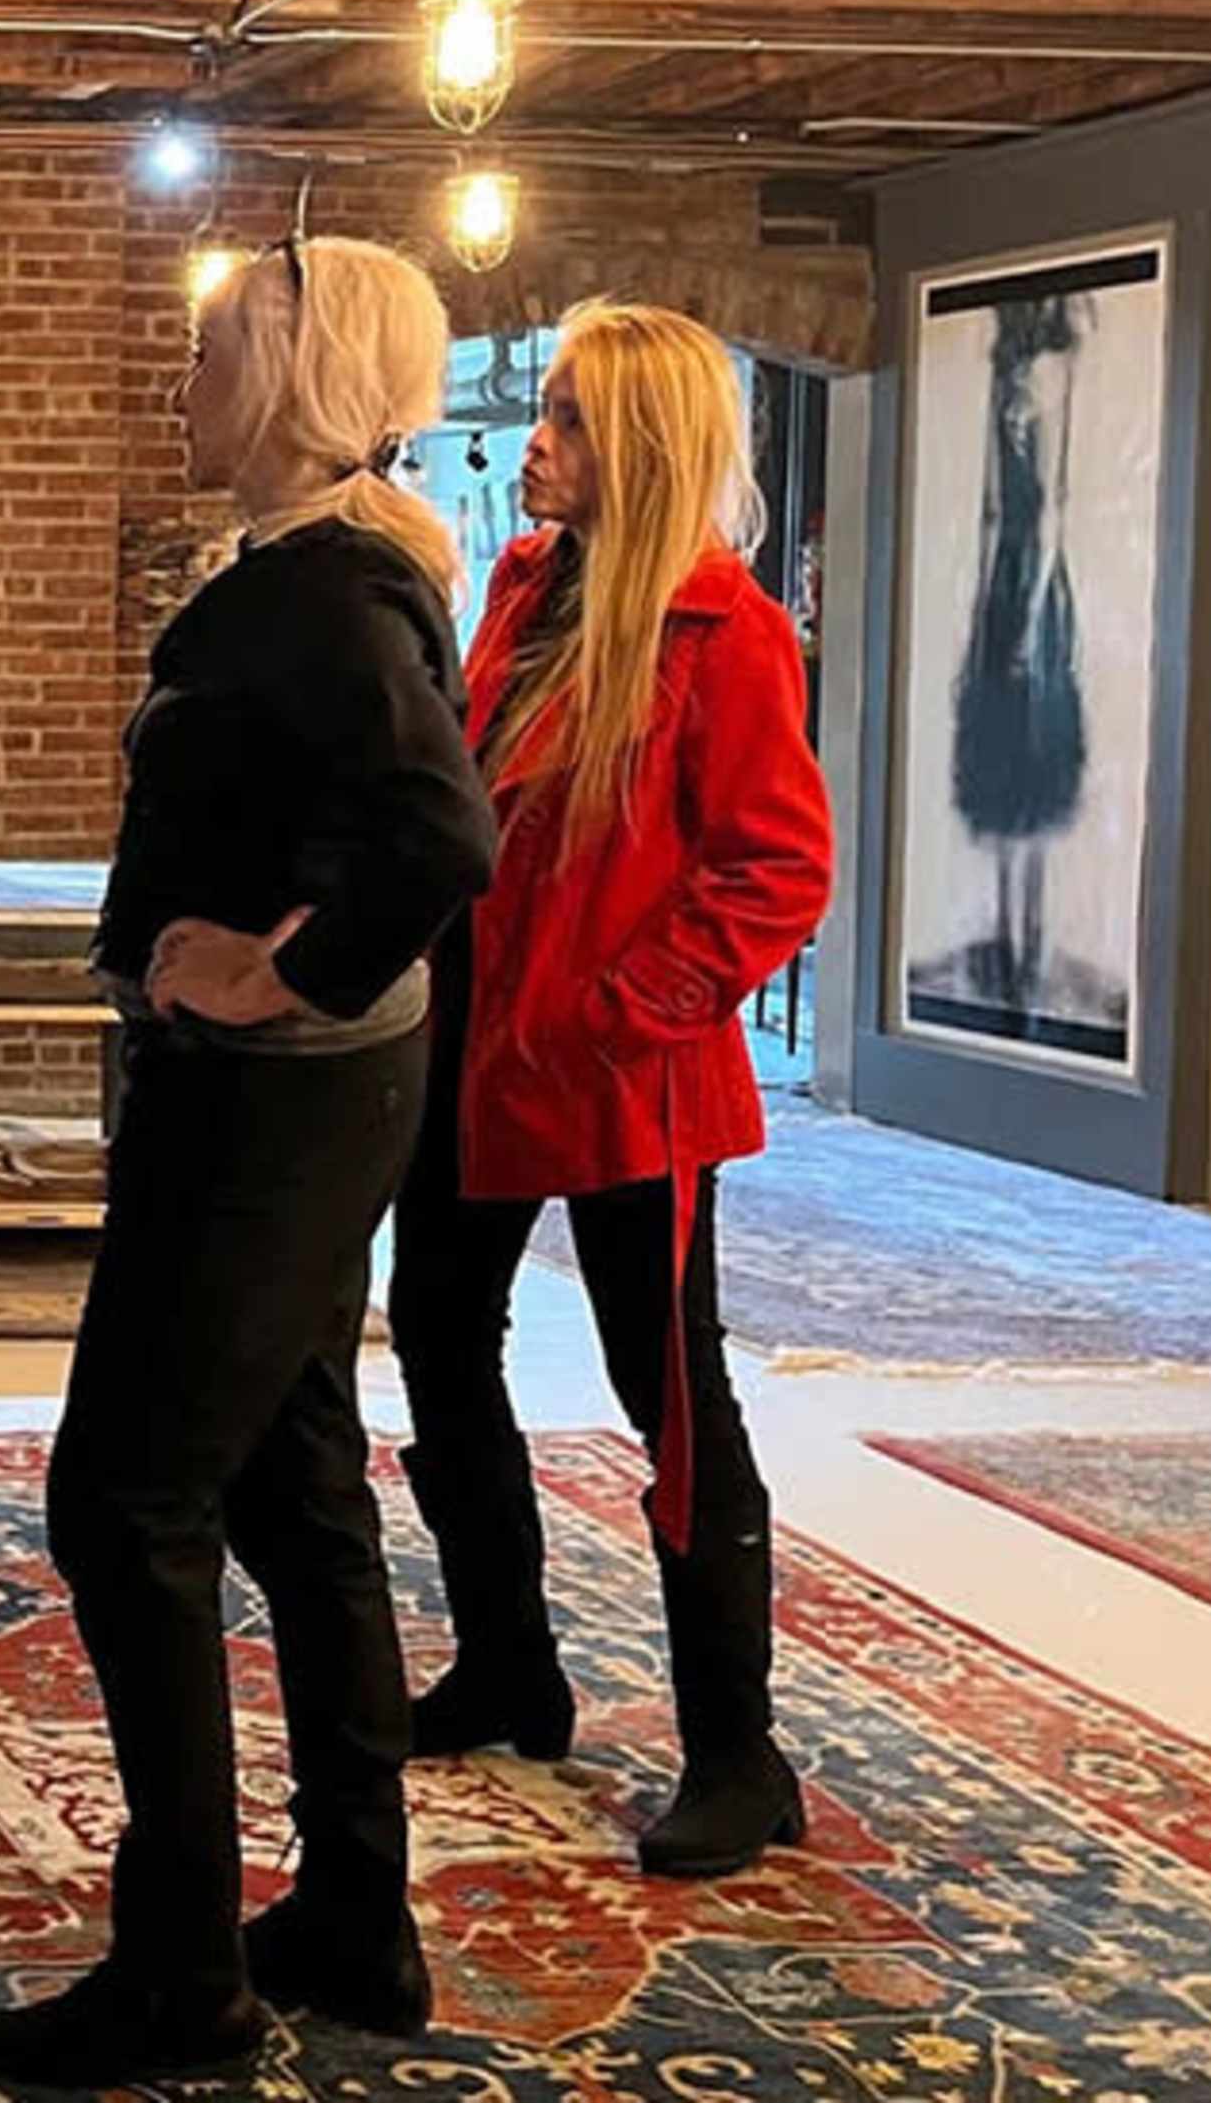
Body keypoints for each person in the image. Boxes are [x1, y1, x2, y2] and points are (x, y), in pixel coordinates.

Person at [0, 236, 498, 2090]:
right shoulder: (320, 571)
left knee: (125, 1500)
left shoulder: (331, 593)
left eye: (208, 351)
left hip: (270, 1104)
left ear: (294, 379)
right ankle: (356, 1913)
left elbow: (438, 832)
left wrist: (274, 969)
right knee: (297, 1485)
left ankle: (182, 1970)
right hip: (306, 1101)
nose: (180, 374)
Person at [388, 300, 834, 1879]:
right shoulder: (522, 585)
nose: (537, 441)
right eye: (546, 411)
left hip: (628, 1077)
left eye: (568, 418)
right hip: (475, 1047)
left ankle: (739, 1747)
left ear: (635, 445)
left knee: (676, 1404)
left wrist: (631, 1002)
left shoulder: (728, 631)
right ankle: (511, 1659)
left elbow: (780, 865)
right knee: (438, 1338)